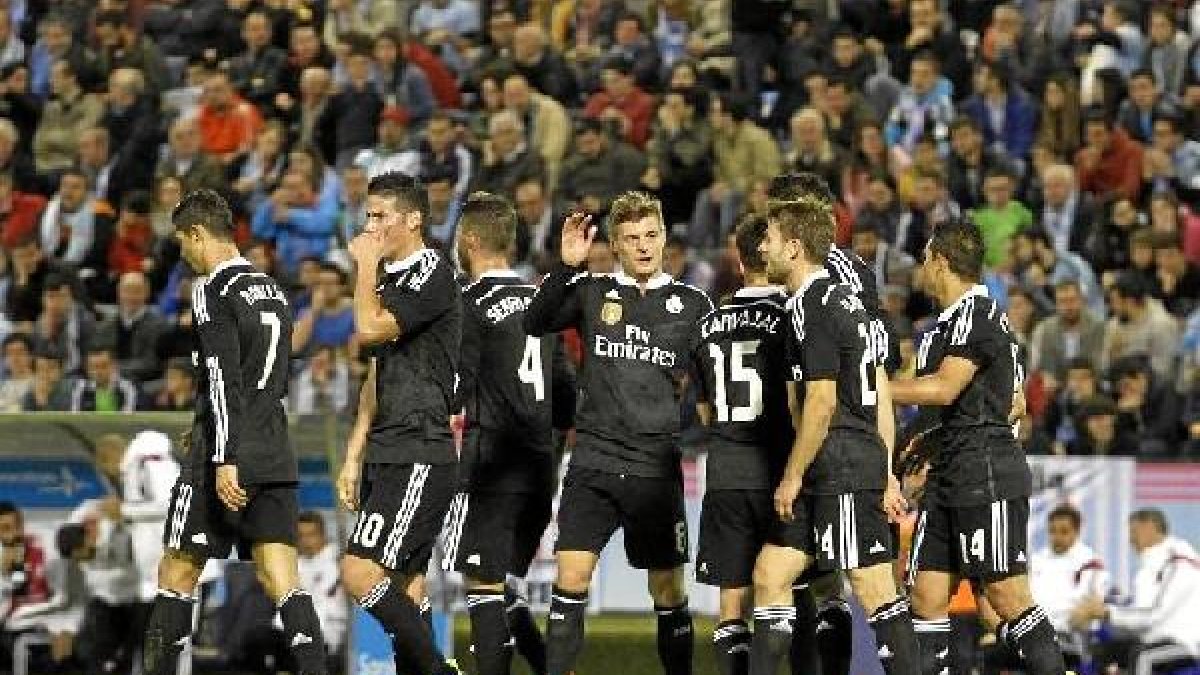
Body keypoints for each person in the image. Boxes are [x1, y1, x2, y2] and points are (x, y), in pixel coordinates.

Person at [524, 191, 713, 675]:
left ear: (665, 237)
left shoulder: (693, 305)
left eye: (651, 235)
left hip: (655, 468)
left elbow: (712, 387)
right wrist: (566, 267)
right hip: (593, 461)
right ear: (616, 245)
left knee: (667, 590)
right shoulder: (591, 291)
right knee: (572, 578)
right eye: (632, 238)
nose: (644, 246)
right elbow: (537, 320)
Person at [139, 189, 328, 675]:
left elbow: (224, 378)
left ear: (198, 234)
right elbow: (268, 377)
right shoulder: (273, 289)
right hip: (273, 445)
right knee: (281, 575)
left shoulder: (212, 289)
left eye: (183, 240)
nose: (182, 252)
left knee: (178, 570)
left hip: (226, 453)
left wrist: (222, 452)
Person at [748, 190, 917, 675]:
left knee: (873, 587)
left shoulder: (813, 306)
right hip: (846, 457)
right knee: (772, 572)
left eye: (772, 239)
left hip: (839, 459)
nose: (764, 250)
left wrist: (792, 475)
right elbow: (880, 391)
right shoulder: (847, 301)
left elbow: (820, 403)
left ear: (795, 247)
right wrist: (885, 472)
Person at [890, 219, 1067, 675]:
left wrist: (873, 386)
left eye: (925, 259)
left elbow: (945, 389)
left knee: (1007, 597)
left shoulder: (978, 313)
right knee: (926, 597)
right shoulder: (945, 324)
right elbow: (1011, 401)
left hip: (984, 471)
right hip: (949, 474)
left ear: (941, 262)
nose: (921, 269)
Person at [334, 172, 461, 675]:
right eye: (367, 216)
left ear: (413, 220)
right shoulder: (390, 279)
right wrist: (352, 454)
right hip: (388, 446)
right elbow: (376, 373)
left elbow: (367, 331)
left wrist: (363, 267)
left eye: (381, 216)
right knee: (407, 585)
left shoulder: (432, 272)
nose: (370, 227)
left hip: (418, 446)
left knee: (359, 571)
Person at [447, 192, 576, 675]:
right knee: (508, 586)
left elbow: (456, 384)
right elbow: (566, 394)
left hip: (490, 464)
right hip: (540, 468)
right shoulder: (541, 303)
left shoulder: (470, 303)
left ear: (472, 240)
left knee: (480, 584)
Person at [690, 215, 791, 675]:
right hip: (781, 471)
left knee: (731, 602)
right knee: (796, 593)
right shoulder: (792, 316)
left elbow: (704, 410)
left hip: (726, 470)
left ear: (738, 257)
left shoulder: (709, 324)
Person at [1072, 509, 1199, 675]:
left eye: (1133, 532)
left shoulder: (1180, 562)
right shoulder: (1149, 567)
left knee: (1143, 656)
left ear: (1149, 527)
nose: (1131, 540)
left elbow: (1153, 615)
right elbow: (1139, 614)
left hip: (1186, 644)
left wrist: (1105, 612)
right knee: (1098, 652)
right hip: (1154, 639)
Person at [1027, 504, 1107, 665]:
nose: (1057, 537)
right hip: (1034, 633)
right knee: (989, 654)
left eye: (1064, 531)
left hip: (1071, 635)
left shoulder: (1090, 563)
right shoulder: (1037, 561)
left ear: (1077, 532)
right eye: (1052, 531)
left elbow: (1086, 610)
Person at [296, 512, 347, 668]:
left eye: (311, 535)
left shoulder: (338, 561)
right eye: (301, 536)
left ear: (323, 534)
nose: (306, 541)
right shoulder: (296, 564)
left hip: (330, 631)